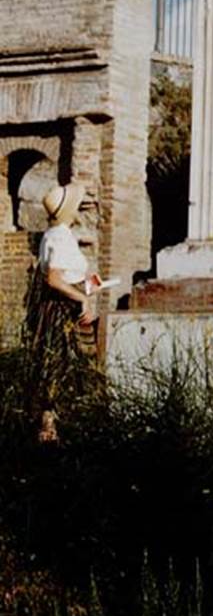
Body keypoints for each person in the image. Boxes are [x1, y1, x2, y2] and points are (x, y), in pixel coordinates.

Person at [24, 182, 101, 443]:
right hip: (62, 309)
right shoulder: (58, 236)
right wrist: (82, 299)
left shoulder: (59, 235)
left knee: (69, 368)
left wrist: (92, 285)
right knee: (59, 366)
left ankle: (65, 429)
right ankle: (49, 430)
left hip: (69, 304)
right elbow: (54, 280)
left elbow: (68, 275)